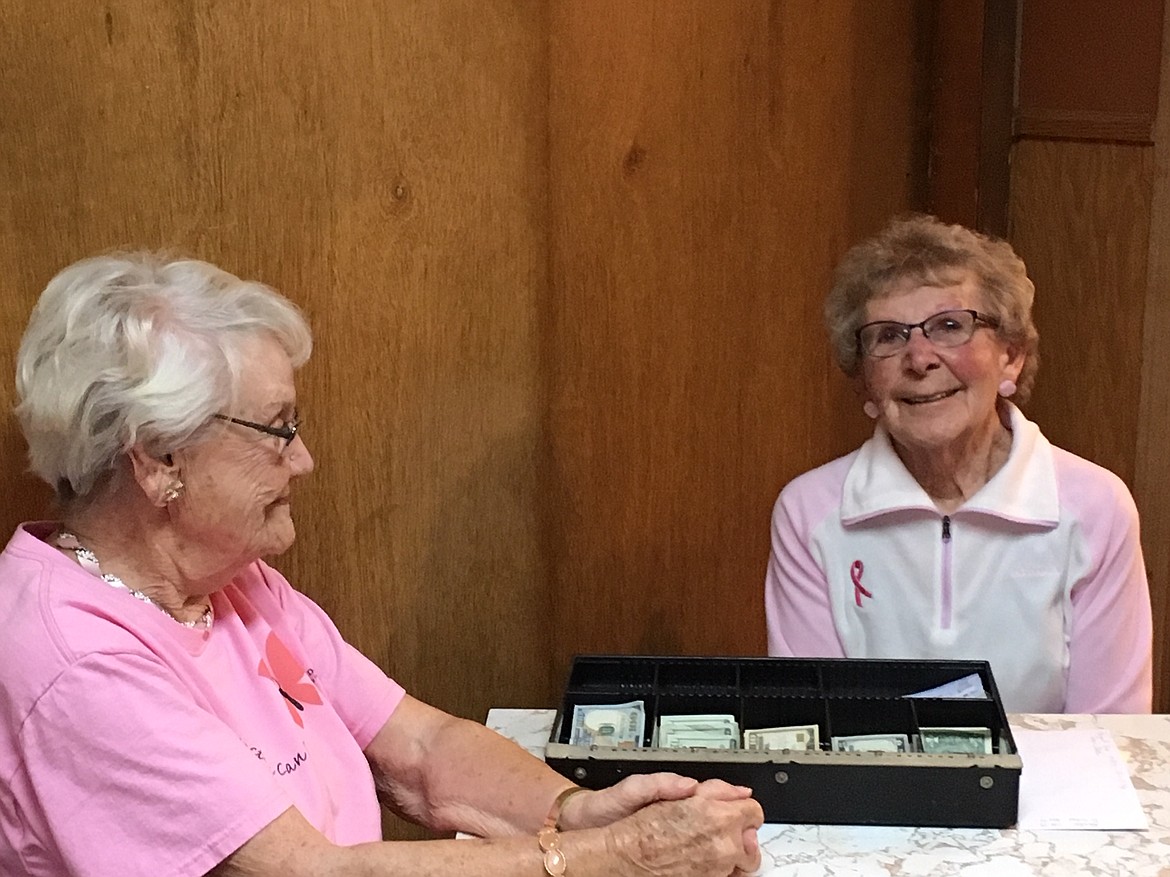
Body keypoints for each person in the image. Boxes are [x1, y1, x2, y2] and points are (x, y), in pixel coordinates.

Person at [0, 253, 763, 877]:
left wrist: (572, 809)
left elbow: (422, 749)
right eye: (276, 428)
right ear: (158, 458)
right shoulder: (74, 659)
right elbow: (311, 874)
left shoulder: (232, 583)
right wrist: (610, 858)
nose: (304, 458)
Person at [764, 215, 1152, 714]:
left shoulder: (1094, 507)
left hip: (1052, 791)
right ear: (863, 381)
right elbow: (817, 727)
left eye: (950, 326)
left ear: (1010, 357)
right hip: (872, 790)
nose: (920, 357)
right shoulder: (809, 512)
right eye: (888, 336)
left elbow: (1110, 736)